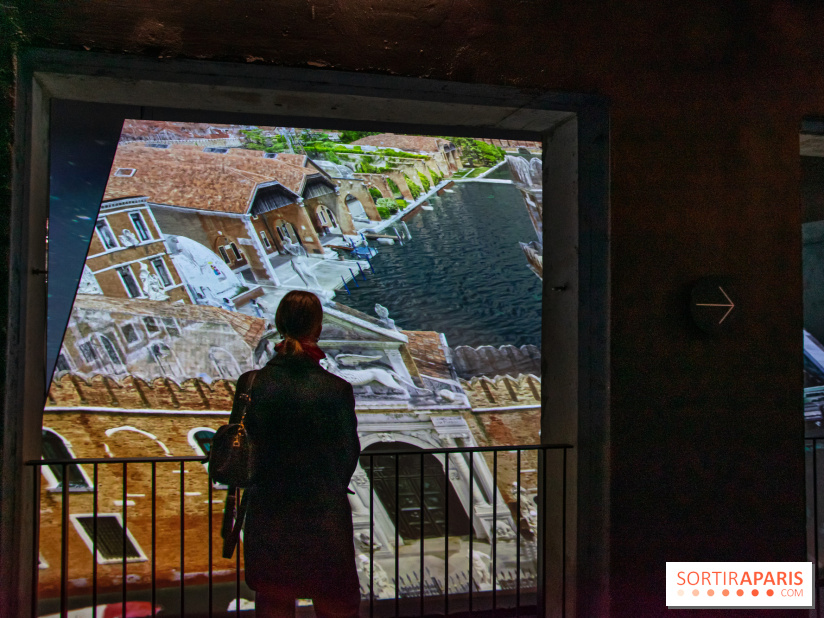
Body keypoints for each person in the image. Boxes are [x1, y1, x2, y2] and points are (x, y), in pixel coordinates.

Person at [229, 290, 361, 618]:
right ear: (316, 329)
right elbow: (348, 454)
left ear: (278, 324)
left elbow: (239, 449)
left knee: (274, 601)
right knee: (336, 603)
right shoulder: (336, 389)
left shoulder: (250, 384)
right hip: (322, 511)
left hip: (269, 511)